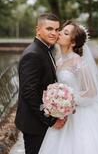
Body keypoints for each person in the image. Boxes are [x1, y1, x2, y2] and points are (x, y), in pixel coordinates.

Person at [39, 20, 98, 154]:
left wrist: (69, 101)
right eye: (61, 30)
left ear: (73, 42)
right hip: (65, 113)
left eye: (65, 33)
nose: (59, 33)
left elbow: (91, 91)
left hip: (79, 113)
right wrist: (58, 103)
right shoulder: (60, 60)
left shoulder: (77, 61)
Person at [15, 13, 67, 154]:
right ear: (38, 29)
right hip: (34, 123)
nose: (54, 33)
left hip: (40, 121)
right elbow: (29, 93)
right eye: (49, 29)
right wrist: (50, 120)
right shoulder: (33, 54)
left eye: (57, 30)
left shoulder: (45, 49)